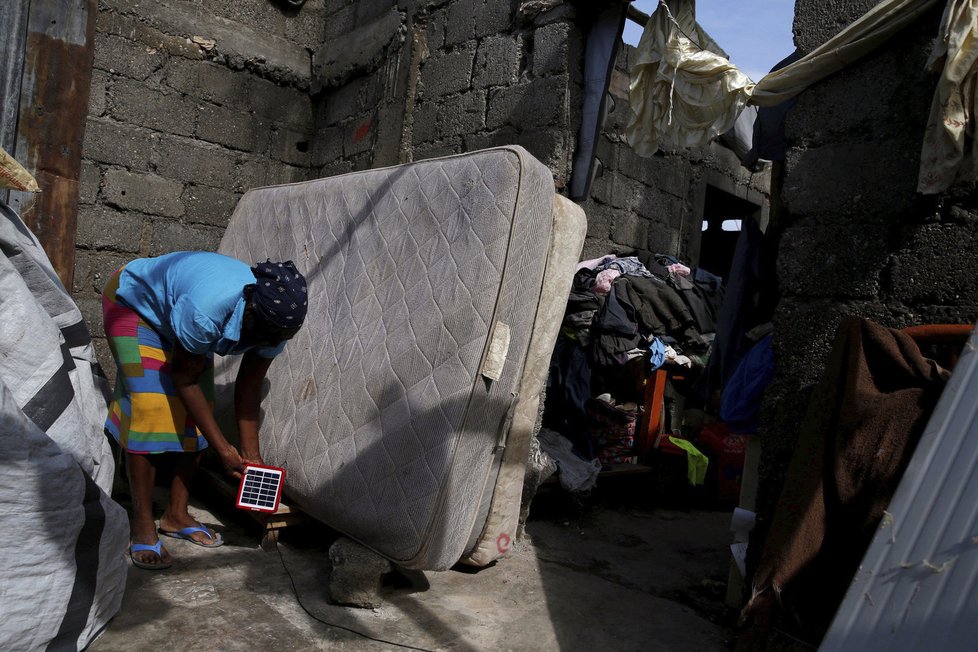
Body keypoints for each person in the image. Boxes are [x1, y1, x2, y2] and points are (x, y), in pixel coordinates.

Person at [101, 251, 308, 570]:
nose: (276, 343)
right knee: (149, 410)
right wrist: (223, 449)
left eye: (283, 339)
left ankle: (176, 515)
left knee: (198, 420)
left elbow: (250, 387)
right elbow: (184, 378)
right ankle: (142, 522)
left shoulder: (276, 324)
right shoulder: (207, 311)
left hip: (180, 315)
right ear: (251, 312)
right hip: (135, 305)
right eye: (272, 337)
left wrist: (251, 458)